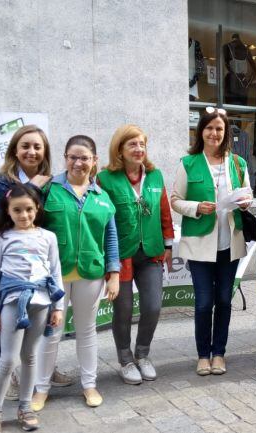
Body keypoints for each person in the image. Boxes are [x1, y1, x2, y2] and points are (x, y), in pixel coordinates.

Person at [0, 125, 73, 401]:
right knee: (0, 321)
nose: (31, 152)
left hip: (38, 261)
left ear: (45, 152)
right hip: (5, 261)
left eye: (37, 147)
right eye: (25, 146)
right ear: (14, 150)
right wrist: (33, 188)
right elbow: (2, 221)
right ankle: (6, 374)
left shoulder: (52, 181)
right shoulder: (3, 181)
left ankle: (44, 370)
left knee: (41, 318)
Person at [32, 135, 120, 410]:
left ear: (94, 161)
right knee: (51, 331)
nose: (78, 163)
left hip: (90, 273)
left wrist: (114, 273)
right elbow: (27, 222)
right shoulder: (49, 189)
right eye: (73, 157)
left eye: (84, 158)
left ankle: (89, 385)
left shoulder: (102, 196)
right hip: (54, 275)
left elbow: (111, 237)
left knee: (87, 331)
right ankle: (41, 389)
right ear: (65, 158)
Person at [171, 107, 252, 376]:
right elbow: (175, 200)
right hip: (200, 245)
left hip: (230, 244)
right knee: (204, 303)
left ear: (225, 132)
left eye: (219, 128)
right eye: (209, 128)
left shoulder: (237, 163)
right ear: (201, 131)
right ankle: (203, 355)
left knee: (225, 301)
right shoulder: (188, 163)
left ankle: (219, 353)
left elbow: (247, 193)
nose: (214, 133)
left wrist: (245, 202)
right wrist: (196, 207)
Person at [0, 183, 65, 433]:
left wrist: (58, 307)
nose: (24, 215)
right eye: (17, 210)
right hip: (12, 303)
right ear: (7, 211)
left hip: (41, 303)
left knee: (30, 356)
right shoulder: (0, 238)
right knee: (8, 359)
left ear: (37, 208)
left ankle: (26, 407)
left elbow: (55, 272)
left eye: (29, 209)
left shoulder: (48, 237)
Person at [97, 124, 175, 385]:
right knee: (124, 310)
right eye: (132, 144)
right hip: (121, 255)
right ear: (119, 149)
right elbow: (101, 219)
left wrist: (168, 245)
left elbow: (164, 211)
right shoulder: (106, 179)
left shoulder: (154, 175)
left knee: (153, 306)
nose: (139, 149)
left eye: (142, 144)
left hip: (151, 251)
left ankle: (142, 355)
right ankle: (125, 360)